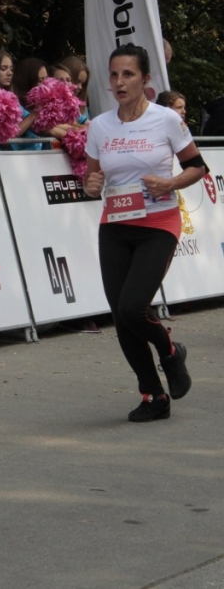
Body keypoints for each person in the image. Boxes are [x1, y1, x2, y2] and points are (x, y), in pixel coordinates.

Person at [83, 43, 205, 423]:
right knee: (121, 317)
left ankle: (170, 350)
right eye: (114, 75)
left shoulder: (166, 119)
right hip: (115, 226)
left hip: (157, 224)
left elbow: (197, 167)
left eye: (128, 74)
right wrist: (90, 185)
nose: (119, 82)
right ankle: (153, 394)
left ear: (146, 79)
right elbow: (91, 179)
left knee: (133, 307)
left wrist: (170, 183)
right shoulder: (100, 126)